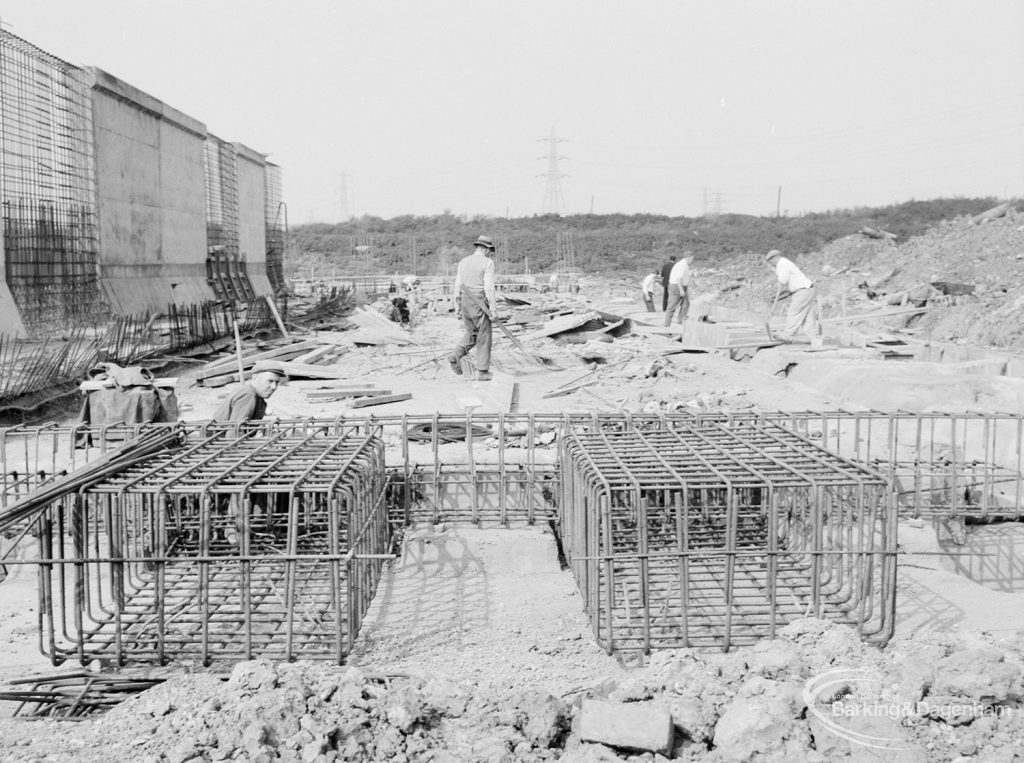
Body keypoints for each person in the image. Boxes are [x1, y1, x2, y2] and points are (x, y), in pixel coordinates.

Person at [449, 235, 497, 381]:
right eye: (489, 250)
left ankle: (456, 355)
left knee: (472, 333)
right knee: (484, 335)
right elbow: (489, 288)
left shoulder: (463, 262)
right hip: (479, 300)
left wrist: (457, 304)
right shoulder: (488, 263)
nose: (489, 253)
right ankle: (482, 371)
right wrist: (493, 310)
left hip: (465, 299)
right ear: (485, 248)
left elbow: (457, 284)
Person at [764, 249, 821, 344]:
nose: (771, 264)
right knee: (807, 317)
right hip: (808, 289)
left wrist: (778, 280)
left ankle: (787, 334)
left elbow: (783, 280)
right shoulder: (786, 263)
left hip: (802, 291)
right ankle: (815, 339)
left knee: (793, 312)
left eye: (771, 262)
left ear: (774, 258)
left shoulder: (782, 264)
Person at [211, 362, 287, 422]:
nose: (274, 387)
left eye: (276, 382)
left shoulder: (258, 397)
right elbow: (235, 431)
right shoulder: (248, 395)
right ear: (254, 378)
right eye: (270, 381)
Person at [663, 253, 693, 326]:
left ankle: (681, 321)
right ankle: (666, 324)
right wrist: (681, 290)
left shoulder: (685, 265)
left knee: (686, 304)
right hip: (676, 286)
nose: (692, 261)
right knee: (672, 306)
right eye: (692, 259)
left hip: (682, 286)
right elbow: (678, 279)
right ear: (688, 257)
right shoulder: (681, 265)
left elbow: (685, 278)